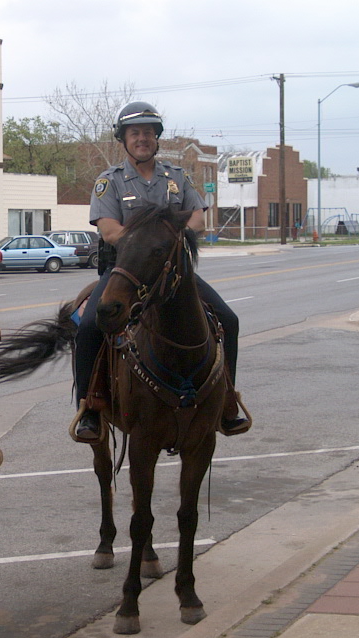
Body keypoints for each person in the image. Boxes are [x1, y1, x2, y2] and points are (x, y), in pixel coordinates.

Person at [74, 101, 250, 440]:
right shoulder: (109, 182)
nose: (143, 138)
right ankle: (90, 406)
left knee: (228, 320)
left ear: (157, 139)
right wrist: (148, 244)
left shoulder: (177, 177)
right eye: (135, 133)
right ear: (123, 140)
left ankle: (227, 400)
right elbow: (109, 229)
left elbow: (197, 217)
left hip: (172, 271)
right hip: (124, 272)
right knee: (91, 326)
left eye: (149, 133)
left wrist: (169, 242)